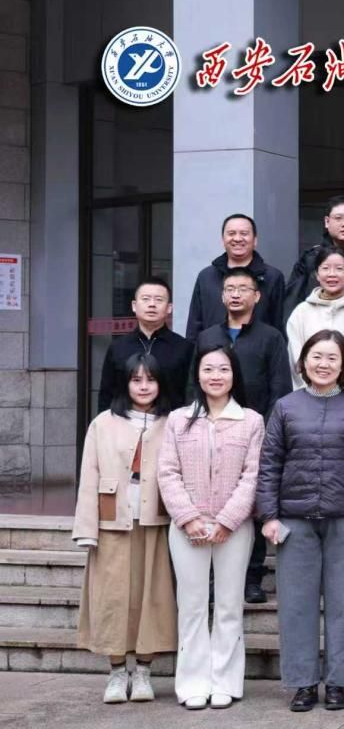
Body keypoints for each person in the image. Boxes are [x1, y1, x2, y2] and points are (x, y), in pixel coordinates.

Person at [256, 330, 344, 713]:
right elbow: (269, 464)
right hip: (295, 520)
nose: (323, 364)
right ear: (303, 361)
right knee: (297, 605)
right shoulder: (285, 407)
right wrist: (269, 515)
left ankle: (338, 682)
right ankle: (303, 683)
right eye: (316, 356)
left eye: (332, 358)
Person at [158, 344, 264, 710]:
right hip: (187, 527)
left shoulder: (251, 421)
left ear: (234, 374)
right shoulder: (178, 420)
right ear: (197, 375)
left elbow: (253, 476)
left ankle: (226, 681)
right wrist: (188, 517)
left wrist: (228, 520)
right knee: (191, 606)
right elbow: (167, 472)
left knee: (229, 605)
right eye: (208, 369)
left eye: (223, 369)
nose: (215, 376)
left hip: (234, 528)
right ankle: (192, 683)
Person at [72, 353, 177, 705]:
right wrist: (87, 528)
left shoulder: (172, 423)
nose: (144, 386)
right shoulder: (102, 423)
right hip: (111, 521)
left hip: (155, 521)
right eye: (136, 379)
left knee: (152, 596)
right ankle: (117, 672)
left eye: (150, 379)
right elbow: (89, 476)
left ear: (161, 383)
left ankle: (144, 671)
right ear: (125, 383)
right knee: (112, 597)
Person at [194, 266, 293, 605]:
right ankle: (211, 576)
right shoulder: (208, 337)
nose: (235, 294)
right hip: (211, 431)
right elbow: (194, 385)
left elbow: (280, 388)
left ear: (257, 296)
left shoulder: (271, 337)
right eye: (230, 289)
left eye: (243, 288)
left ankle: (252, 577)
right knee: (212, 499)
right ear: (222, 296)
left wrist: (267, 432)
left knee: (252, 503)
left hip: (255, 433)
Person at [98, 277, 193, 413]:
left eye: (159, 300)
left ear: (169, 308)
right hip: (124, 422)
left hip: (170, 421)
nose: (152, 304)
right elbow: (106, 394)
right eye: (146, 299)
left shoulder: (184, 348)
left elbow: (190, 394)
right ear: (134, 306)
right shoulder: (118, 347)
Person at [285, 246, 344, 389]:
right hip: (308, 394)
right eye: (325, 268)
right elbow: (295, 358)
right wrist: (309, 391)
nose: (332, 274)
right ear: (317, 274)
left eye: (339, 269)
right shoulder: (301, 312)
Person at [187, 213, 287, 338]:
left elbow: (278, 324)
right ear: (223, 240)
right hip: (213, 348)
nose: (237, 238)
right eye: (231, 233)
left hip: (259, 349)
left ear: (255, 240)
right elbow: (195, 325)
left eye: (244, 233)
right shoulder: (206, 277)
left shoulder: (272, 277)